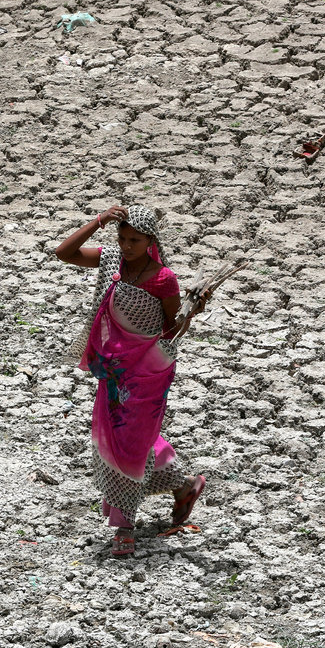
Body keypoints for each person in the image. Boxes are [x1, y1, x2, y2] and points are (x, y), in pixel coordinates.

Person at [55, 205, 209, 557]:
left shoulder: (163, 279)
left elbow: (172, 328)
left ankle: (124, 525)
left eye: (135, 241)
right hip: (114, 369)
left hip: (148, 370)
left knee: (131, 440)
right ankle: (184, 485)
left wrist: (192, 312)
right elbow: (64, 253)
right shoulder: (112, 261)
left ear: (151, 241)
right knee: (123, 436)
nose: (126, 246)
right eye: (122, 238)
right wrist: (99, 221)